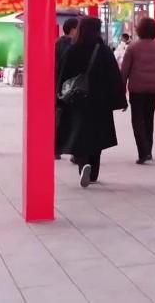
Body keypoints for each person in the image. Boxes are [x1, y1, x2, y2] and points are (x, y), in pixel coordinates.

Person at [56, 17, 126, 188]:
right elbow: (114, 77)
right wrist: (120, 99)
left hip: (77, 99)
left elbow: (62, 75)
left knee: (78, 133)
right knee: (97, 135)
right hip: (100, 100)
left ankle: (83, 163)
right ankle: (93, 174)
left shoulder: (72, 50)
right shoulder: (104, 51)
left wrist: (58, 99)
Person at [120, 17, 155, 165]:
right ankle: (149, 150)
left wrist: (121, 91)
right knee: (149, 118)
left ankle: (143, 151)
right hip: (153, 89)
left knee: (137, 120)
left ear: (139, 30)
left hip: (136, 89)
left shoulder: (132, 48)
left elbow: (124, 71)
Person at [54, 18, 80, 160]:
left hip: (58, 86)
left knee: (59, 118)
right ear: (73, 30)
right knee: (74, 119)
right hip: (73, 87)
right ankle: (75, 152)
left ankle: (56, 149)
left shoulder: (56, 43)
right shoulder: (75, 45)